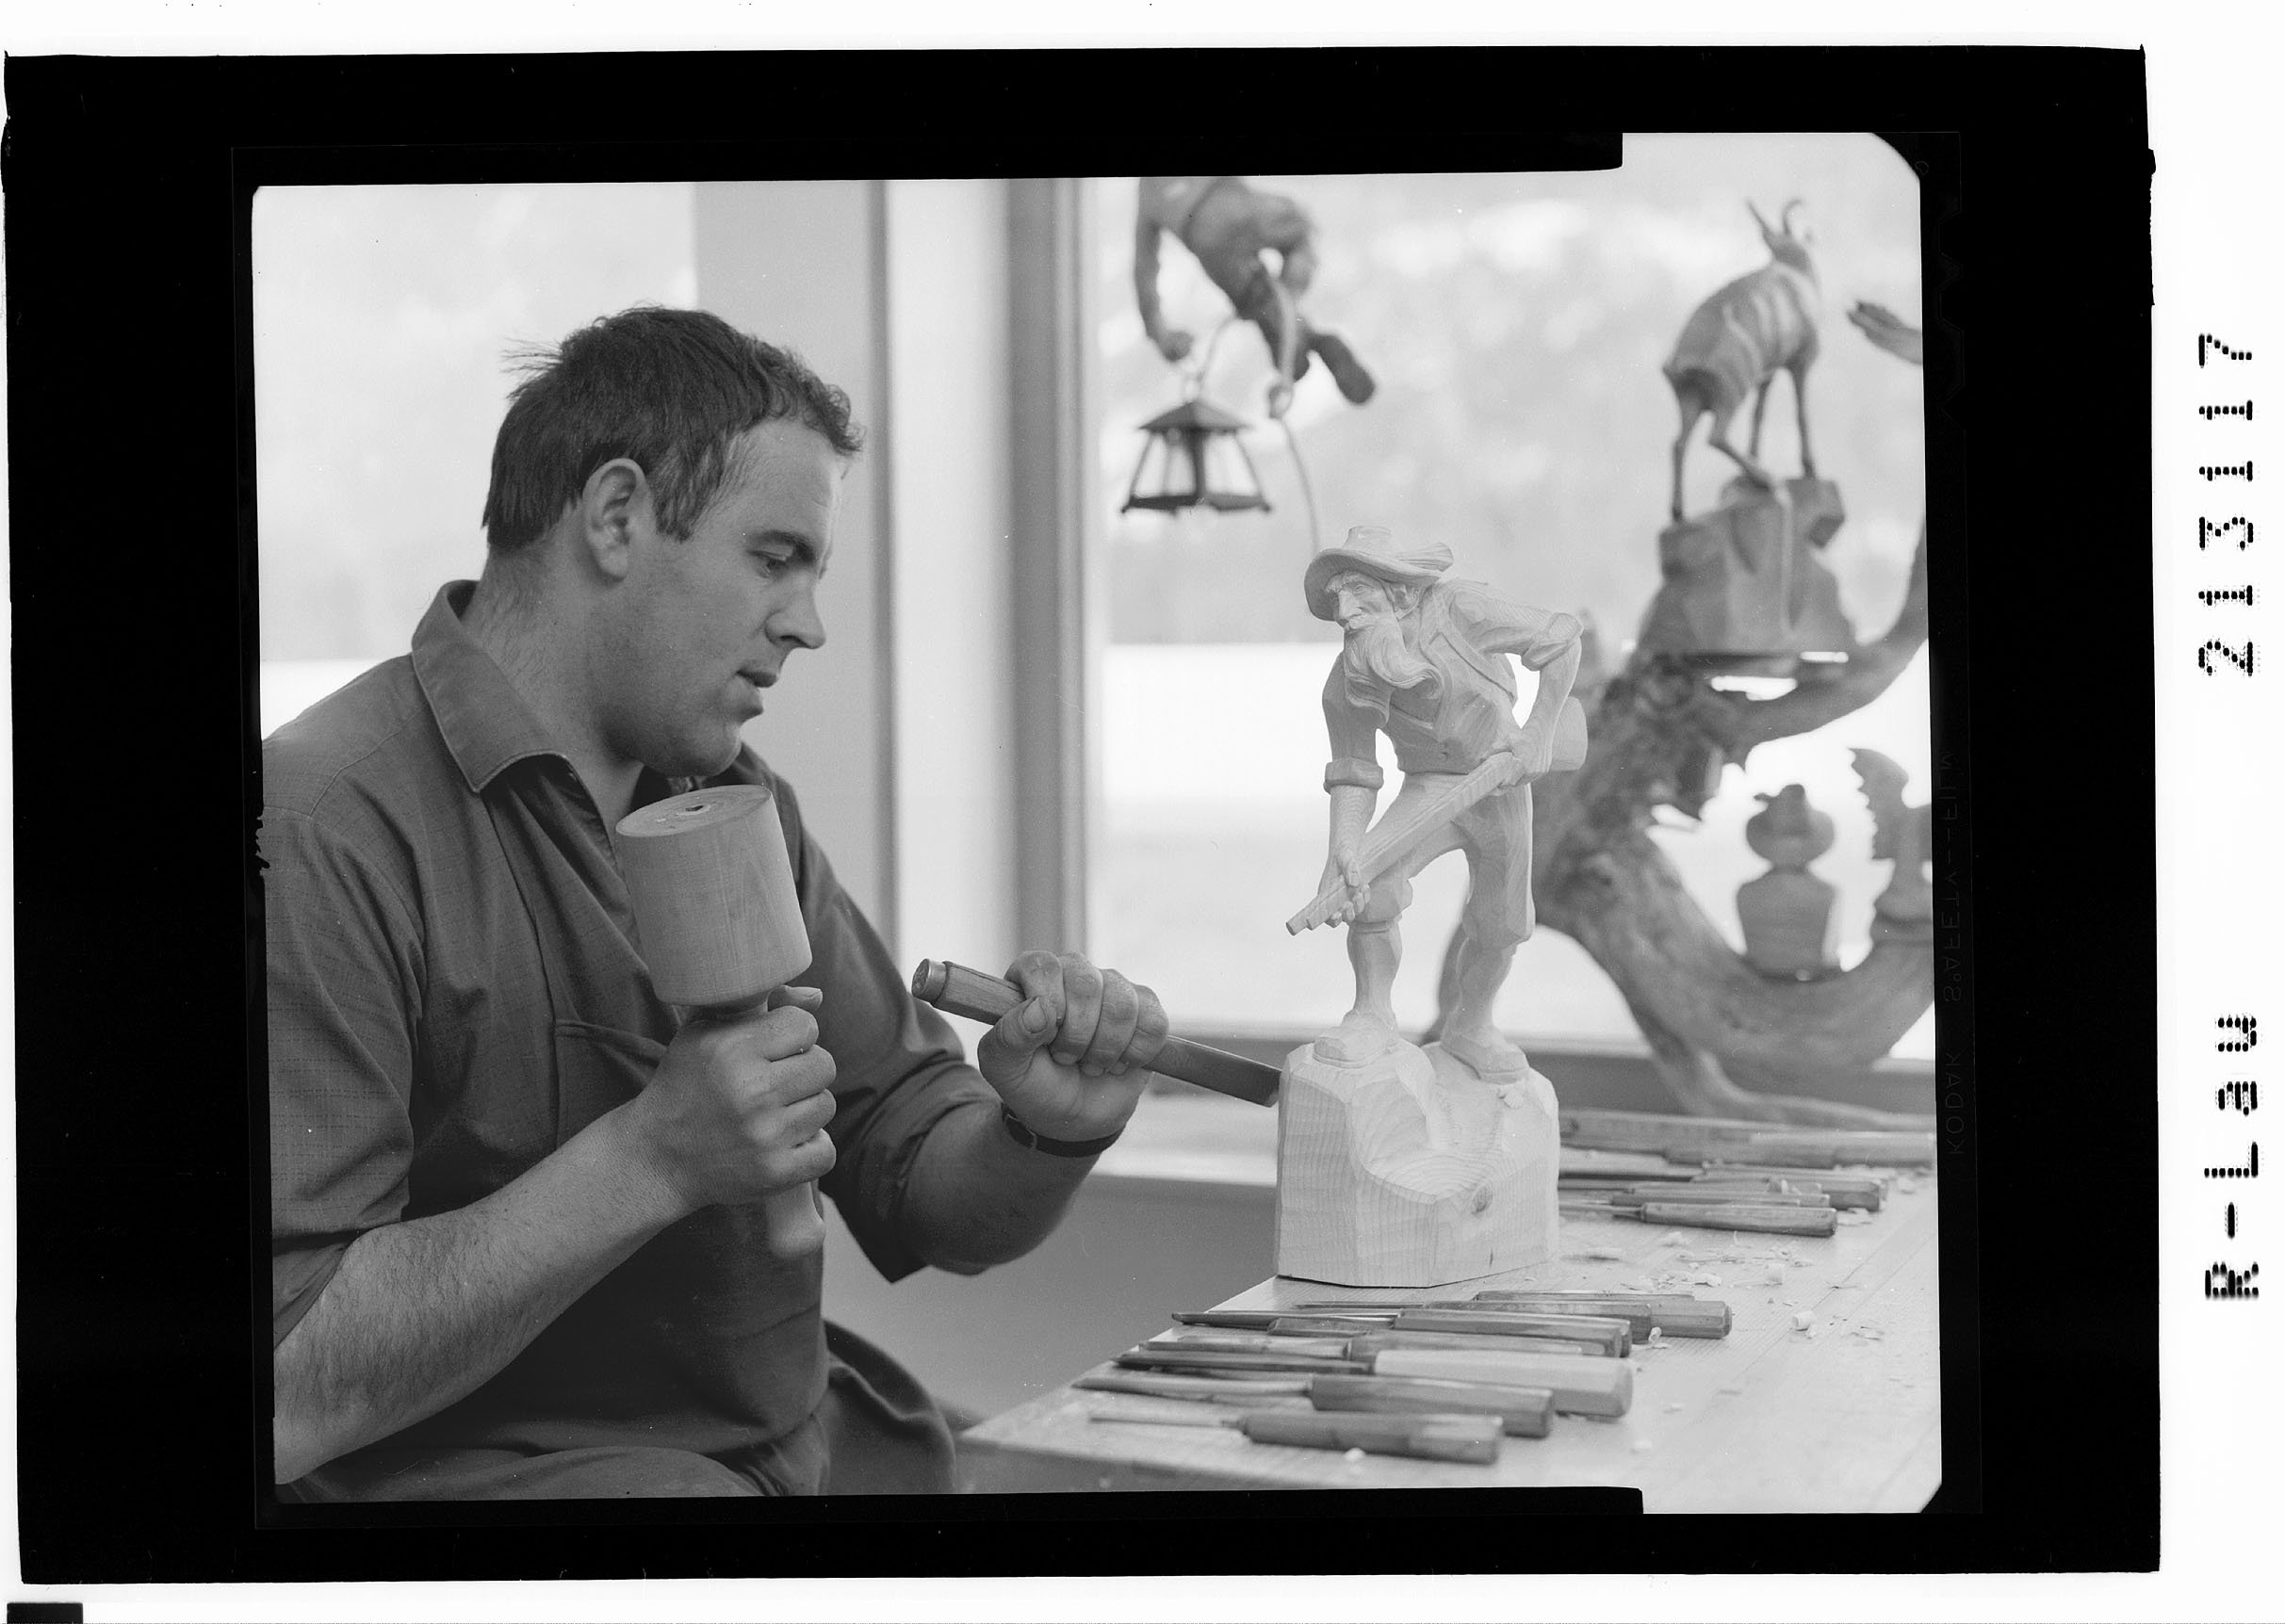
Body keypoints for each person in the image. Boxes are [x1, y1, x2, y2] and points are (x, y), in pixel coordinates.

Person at [263, 306, 1169, 1500]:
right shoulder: (323, 824)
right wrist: (651, 1157)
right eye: (774, 556)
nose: (807, 623)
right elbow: (283, 1386)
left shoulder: (735, 799)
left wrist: (1047, 1129)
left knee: (1129, 1490)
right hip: (553, 1498)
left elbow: (928, 1192)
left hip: (799, 1445)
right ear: (616, 515)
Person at [1301, 526, 1582, 1077]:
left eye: (1358, 592)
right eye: (1336, 599)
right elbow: (1355, 772)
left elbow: (1562, 641)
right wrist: (1345, 848)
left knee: (1502, 922)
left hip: (1498, 784)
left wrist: (1539, 732)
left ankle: (1472, 1026)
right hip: (1427, 787)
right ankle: (1371, 1015)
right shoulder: (1349, 678)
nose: (1344, 613)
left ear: (1402, 591)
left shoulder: (1462, 609)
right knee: (1372, 883)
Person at [1134, 175, 1377, 412]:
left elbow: (1143, 269)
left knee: (1257, 299)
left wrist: (1161, 335)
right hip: (1242, 207)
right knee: (1302, 231)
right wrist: (1290, 291)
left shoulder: (1147, 189)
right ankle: (1290, 316)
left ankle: (1287, 330)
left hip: (1207, 242)